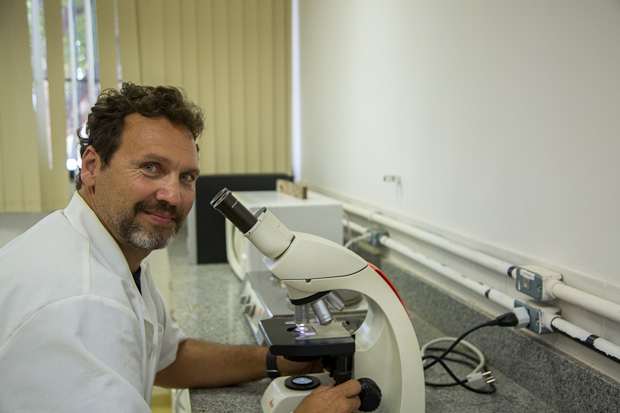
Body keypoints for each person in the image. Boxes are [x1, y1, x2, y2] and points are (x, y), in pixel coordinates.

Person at [0, 83, 361, 412]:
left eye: (186, 177)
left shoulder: (113, 249)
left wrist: (275, 360)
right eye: (151, 167)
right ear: (92, 167)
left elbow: (169, 358)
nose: (172, 195)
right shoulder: (81, 304)